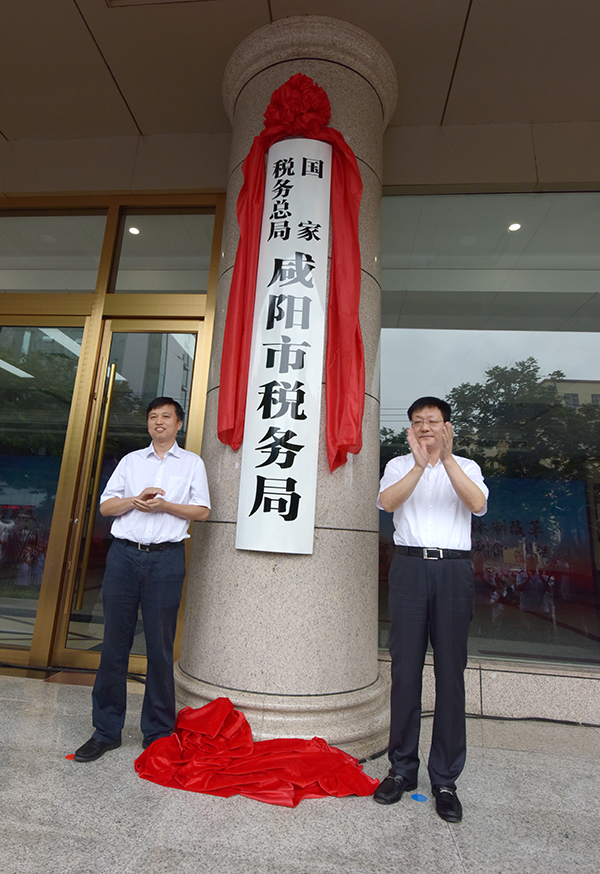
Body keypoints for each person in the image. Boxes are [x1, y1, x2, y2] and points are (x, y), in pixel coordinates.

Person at [74, 397, 210, 762]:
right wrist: (136, 500)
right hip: (124, 557)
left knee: (160, 648)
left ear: (179, 424)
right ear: (148, 424)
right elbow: (106, 506)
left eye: (166, 416)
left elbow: (202, 510)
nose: (159, 422)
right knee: (114, 645)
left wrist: (165, 506)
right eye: (153, 417)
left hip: (166, 560)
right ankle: (106, 730)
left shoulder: (192, 463)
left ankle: (158, 733)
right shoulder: (131, 462)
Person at [374, 397, 488, 821]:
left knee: (450, 674)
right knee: (404, 670)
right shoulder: (400, 466)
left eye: (433, 421)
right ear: (410, 429)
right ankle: (402, 769)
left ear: (447, 426)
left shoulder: (469, 467)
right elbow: (386, 504)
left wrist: (447, 459)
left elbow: (476, 503)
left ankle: (445, 779)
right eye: (418, 422)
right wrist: (421, 465)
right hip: (408, 568)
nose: (425, 427)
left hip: (453, 572)